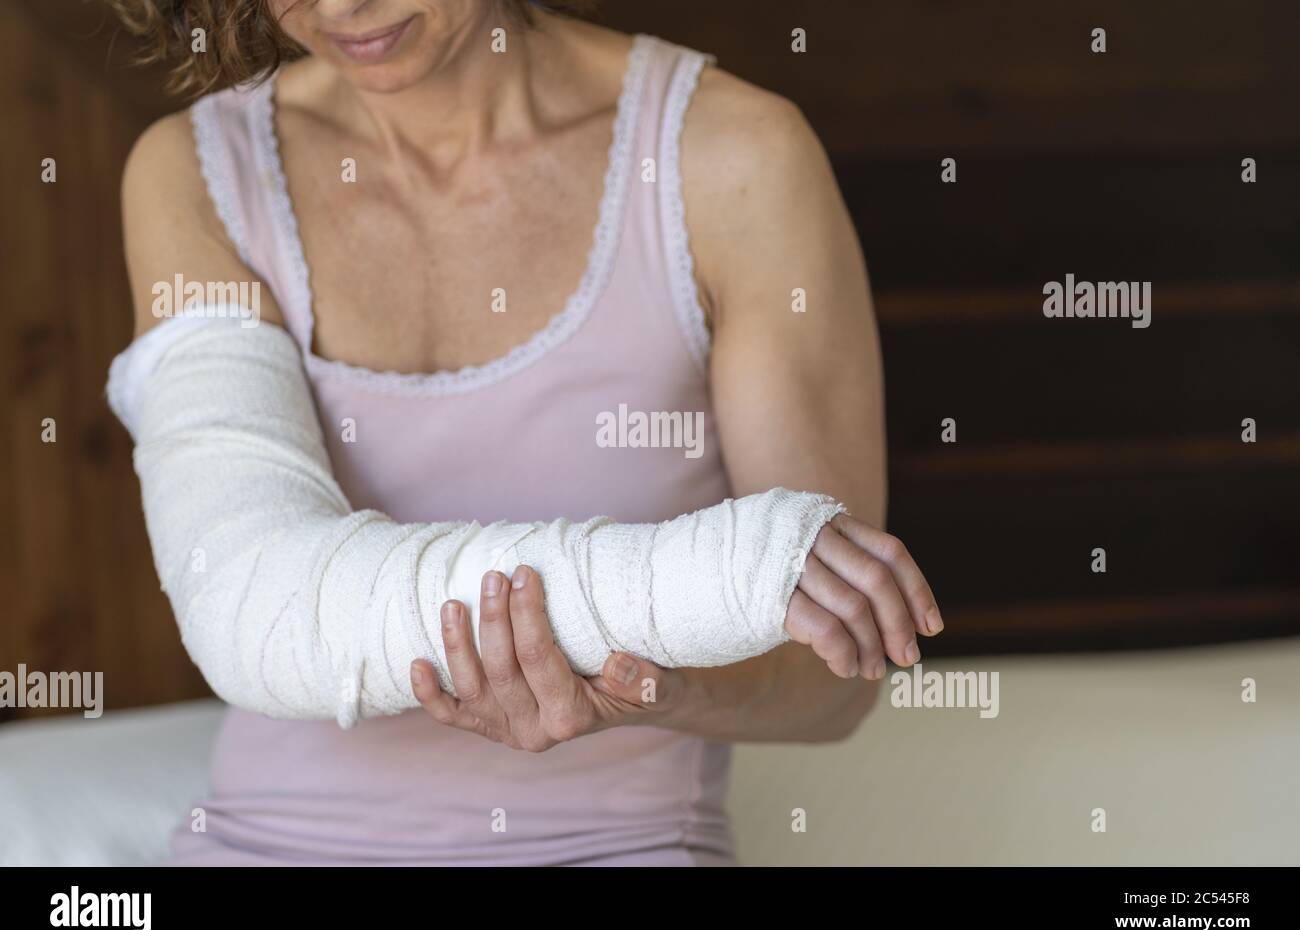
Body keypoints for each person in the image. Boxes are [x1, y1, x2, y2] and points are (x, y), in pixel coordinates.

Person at [110, 0, 941, 865]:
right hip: (266, 846)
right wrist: (633, 597)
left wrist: (646, 686)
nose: (340, 6)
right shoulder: (197, 172)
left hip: (610, 847)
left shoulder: (732, 157)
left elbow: (832, 679)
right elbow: (252, 600)